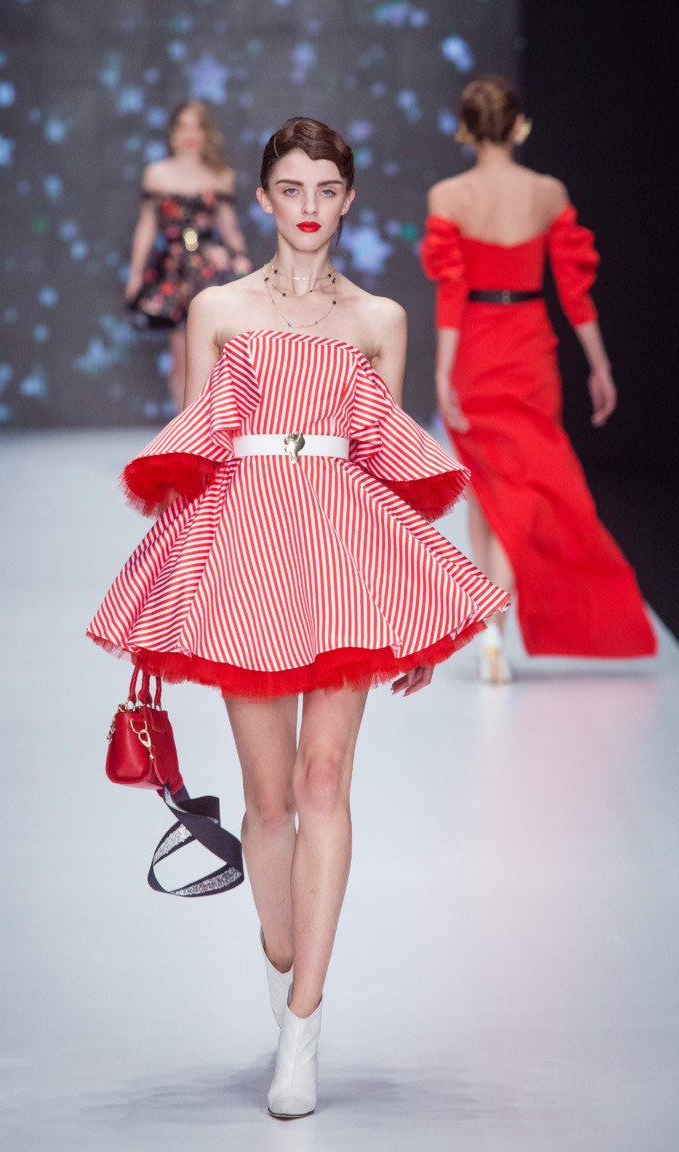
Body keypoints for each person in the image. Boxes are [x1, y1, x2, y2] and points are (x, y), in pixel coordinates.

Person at [88, 117, 509, 1119]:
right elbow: (194, 452)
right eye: (291, 188)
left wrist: (411, 614)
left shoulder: (380, 319)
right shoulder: (218, 309)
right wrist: (172, 602)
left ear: (349, 199)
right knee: (267, 800)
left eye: (327, 189)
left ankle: (305, 1026)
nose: (309, 207)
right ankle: (281, 959)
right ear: (264, 197)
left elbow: (385, 465)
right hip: (244, 556)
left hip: (345, 563)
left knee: (326, 780)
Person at [421, 76, 656, 683]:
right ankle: (495, 628)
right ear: (519, 125)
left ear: (465, 129)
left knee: (485, 488)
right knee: (517, 489)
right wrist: (600, 365)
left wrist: (443, 370)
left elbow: (451, 293)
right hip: (529, 348)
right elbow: (575, 292)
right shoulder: (549, 192)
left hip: (476, 350)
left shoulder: (448, 195)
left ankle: (491, 627)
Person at [124, 100, 252, 409]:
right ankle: (185, 427)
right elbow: (146, 227)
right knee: (181, 356)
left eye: (197, 126)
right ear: (173, 132)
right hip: (173, 272)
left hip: (210, 269)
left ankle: (213, 425)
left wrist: (243, 262)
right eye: (183, 126)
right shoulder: (156, 175)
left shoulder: (220, 175)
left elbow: (229, 227)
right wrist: (136, 274)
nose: (190, 134)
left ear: (207, 133)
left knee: (216, 355)